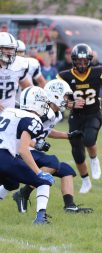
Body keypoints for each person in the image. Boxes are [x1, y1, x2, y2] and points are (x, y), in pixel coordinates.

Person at [57, 43, 102, 194]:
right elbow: (58, 99)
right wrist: (71, 103)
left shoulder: (98, 72)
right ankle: (85, 180)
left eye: (85, 61)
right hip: (75, 116)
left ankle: (94, 159)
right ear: (73, 60)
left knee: (89, 140)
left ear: (90, 60)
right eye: (79, 61)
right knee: (77, 151)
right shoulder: (65, 76)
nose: (82, 64)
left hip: (93, 114)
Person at [12, 80, 93, 214]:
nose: (67, 100)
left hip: (32, 150)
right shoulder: (43, 112)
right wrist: (37, 144)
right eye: (66, 97)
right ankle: (23, 193)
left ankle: (70, 206)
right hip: (22, 150)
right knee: (52, 162)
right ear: (56, 96)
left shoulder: (55, 113)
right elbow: (22, 134)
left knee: (67, 171)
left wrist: (68, 135)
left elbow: (46, 131)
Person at [0, 86, 55, 224]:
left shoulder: (8, 111)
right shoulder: (33, 118)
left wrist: (35, 145)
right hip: (4, 157)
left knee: (11, 183)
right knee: (44, 181)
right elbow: (24, 150)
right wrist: (39, 172)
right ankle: (40, 217)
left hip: (4, 154)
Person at [0, 32, 32, 112]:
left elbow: (28, 88)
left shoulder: (19, 64)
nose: (10, 52)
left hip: (9, 114)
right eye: (7, 48)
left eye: (12, 49)